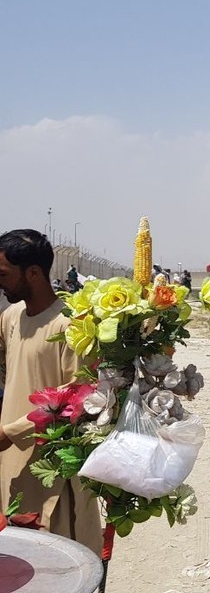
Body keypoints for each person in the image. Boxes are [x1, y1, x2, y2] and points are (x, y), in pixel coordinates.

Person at [0, 229, 102, 553]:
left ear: (33, 273)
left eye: (4, 274)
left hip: (53, 469)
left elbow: (78, 396)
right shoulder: (11, 317)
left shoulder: (69, 324)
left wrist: (11, 432)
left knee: (56, 557)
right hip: (11, 465)